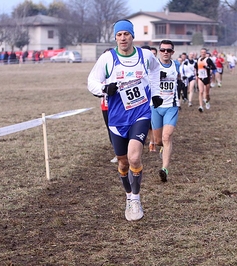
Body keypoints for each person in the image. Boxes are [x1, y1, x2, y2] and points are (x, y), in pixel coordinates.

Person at [87, 19, 163, 221]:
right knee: (122, 163)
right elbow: (91, 82)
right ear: (115, 38)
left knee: (135, 158)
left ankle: (136, 199)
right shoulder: (107, 59)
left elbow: (156, 71)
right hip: (116, 118)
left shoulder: (145, 56)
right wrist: (104, 89)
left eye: (126, 34)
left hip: (140, 113)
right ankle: (128, 195)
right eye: (119, 35)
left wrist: (155, 93)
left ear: (132, 36)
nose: (123, 38)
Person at [152, 40, 180, 182]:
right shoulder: (154, 65)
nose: (165, 53)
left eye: (168, 50)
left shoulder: (176, 65)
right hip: (155, 107)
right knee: (158, 141)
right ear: (159, 51)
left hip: (171, 106)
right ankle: (162, 149)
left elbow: (180, 80)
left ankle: (164, 169)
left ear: (172, 52)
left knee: (166, 137)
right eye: (163, 50)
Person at [195, 48, 216, 112]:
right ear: (200, 53)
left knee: (207, 94)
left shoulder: (208, 59)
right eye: (202, 52)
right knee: (201, 92)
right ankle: (201, 106)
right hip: (200, 78)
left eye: (204, 52)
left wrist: (208, 67)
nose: (203, 53)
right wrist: (196, 75)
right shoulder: (198, 60)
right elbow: (196, 68)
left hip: (207, 78)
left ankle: (207, 102)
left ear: (206, 53)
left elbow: (214, 67)